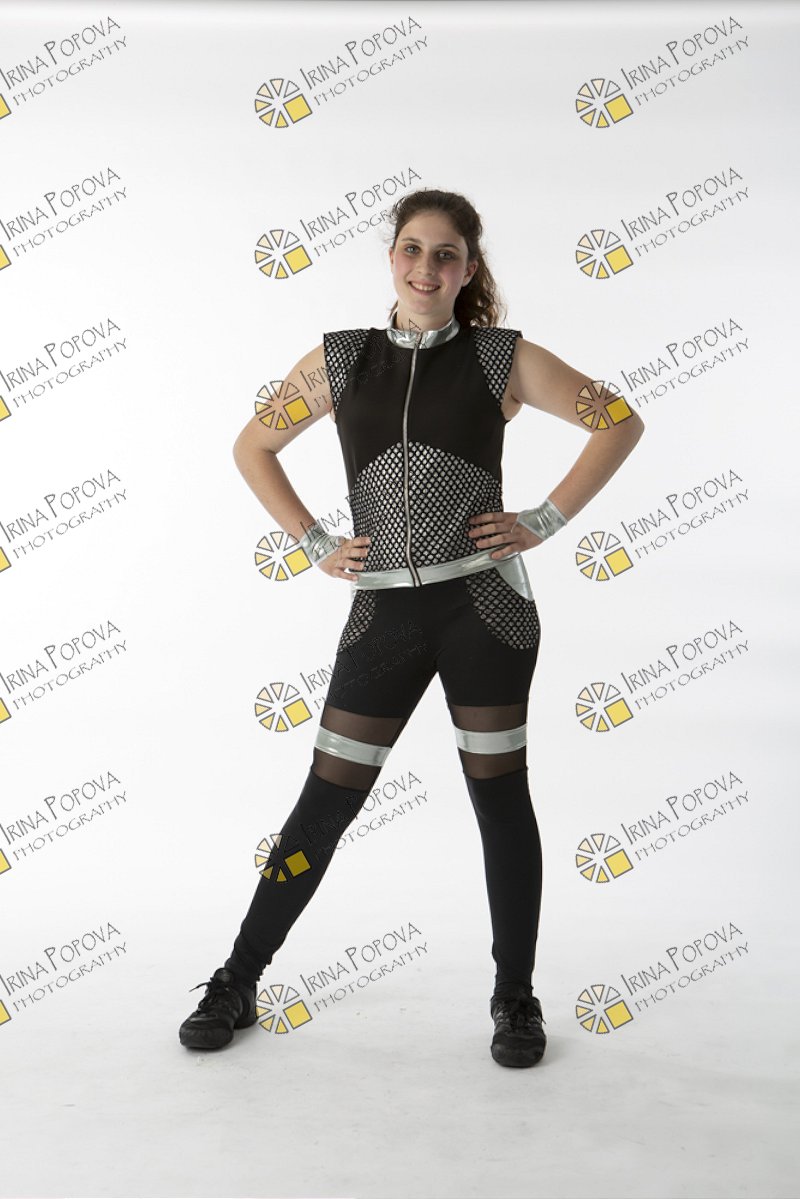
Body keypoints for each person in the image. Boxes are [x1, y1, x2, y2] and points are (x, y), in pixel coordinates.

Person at [178, 187, 645, 1067]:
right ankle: (237, 979)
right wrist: (314, 541)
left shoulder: (500, 358)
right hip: (383, 613)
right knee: (324, 801)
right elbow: (252, 447)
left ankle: (515, 997)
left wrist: (543, 520)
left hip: (485, 611)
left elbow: (618, 420)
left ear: (468, 269)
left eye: (445, 254)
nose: (426, 267)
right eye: (412, 249)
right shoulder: (341, 358)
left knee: (499, 800)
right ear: (391, 257)